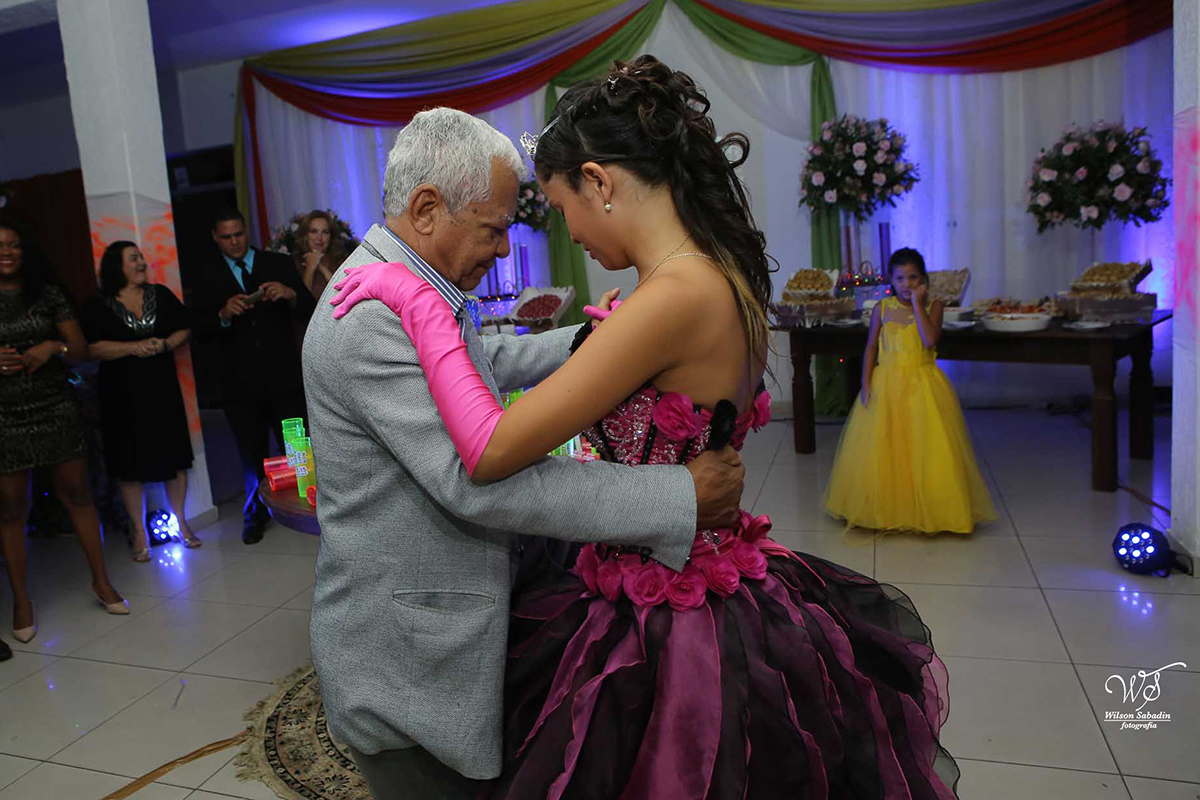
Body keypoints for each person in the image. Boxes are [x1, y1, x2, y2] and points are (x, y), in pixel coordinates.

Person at [331, 57, 959, 799]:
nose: (569, 232)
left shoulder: (670, 298)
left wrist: (418, 305)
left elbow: (492, 448)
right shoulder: (711, 274)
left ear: (599, 182)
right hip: (680, 575)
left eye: (561, 207)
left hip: (670, 613)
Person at [302, 106, 746, 800]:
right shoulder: (369, 315)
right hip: (410, 663)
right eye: (494, 228)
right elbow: (477, 482)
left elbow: (477, 360)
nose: (506, 249)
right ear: (427, 209)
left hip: (454, 625)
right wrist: (679, 496)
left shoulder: (408, 278)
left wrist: (591, 344)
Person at [0, 215, 129, 645]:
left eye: (14, 244)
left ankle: (101, 581)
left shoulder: (47, 292)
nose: (7, 252)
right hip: (5, 413)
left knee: (77, 494)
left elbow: (80, 349)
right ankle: (21, 601)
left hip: (54, 405)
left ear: (25, 250)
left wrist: (51, 346)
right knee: (12, 507)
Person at [824, 247, 996, 534]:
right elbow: (871, 347)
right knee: (888, 445)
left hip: (923, 384)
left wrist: (918, 305)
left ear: (923, 279)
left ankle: (933, 509)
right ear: (891, 280)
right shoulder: (882, 309)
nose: (907, 284)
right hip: (887, 383)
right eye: (900, 278)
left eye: (913, 277)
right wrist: (866, 383)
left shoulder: (934, 307)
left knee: (925, 445)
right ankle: (888, 507)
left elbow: (929, 340)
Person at [189, 208, 315, 544]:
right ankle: (255, 513)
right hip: (238, 383)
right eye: (227, 237)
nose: (234, 242)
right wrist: (223, 314)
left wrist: (289, 294)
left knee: (297, 446)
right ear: (216, 238)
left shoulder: (276, 263)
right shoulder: (206, 275)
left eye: (239, 234)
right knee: (251, 453)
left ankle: (308, 506)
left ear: (247, 232)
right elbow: (198, 328)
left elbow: (309, 307)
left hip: (283, 376)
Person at [82, 241, 200, 560]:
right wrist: (132, 348)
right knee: (129, 464)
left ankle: (182, 523)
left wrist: (163, 344)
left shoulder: (159, 294)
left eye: (142, 258)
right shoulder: (98, 305)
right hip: (121, 395)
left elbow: (184, 329)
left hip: (162, 389)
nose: (142, 263)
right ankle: (139, 532)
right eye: (134, 258)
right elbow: (92, 348)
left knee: (175, 457)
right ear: (116, 266)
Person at [293, 210, 347, 299]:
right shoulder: (295, 263)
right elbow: (302, 301)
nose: (319, 238)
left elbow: (345, 294)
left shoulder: (342, 262)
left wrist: (322, 268)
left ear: (331, 236)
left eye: (325, 232)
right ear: (305, 235)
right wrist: (310, 268)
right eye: (313, 231)